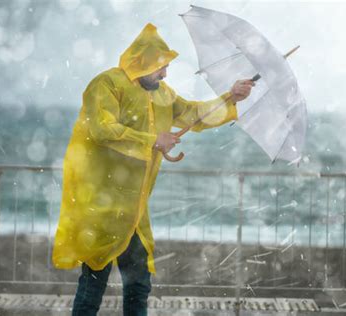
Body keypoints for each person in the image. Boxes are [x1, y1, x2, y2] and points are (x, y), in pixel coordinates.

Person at [52, 23, 254, 316]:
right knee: (94, 281)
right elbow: (101, 129)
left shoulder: (162, 94)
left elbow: (195, 115)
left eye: (167, 66)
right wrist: (152, 140)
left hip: (134, 210)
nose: (165, 73)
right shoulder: (107, 84)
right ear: (142, 62)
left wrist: (230, 97)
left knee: (138, 284)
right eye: (161, 66)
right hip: (102, 206)